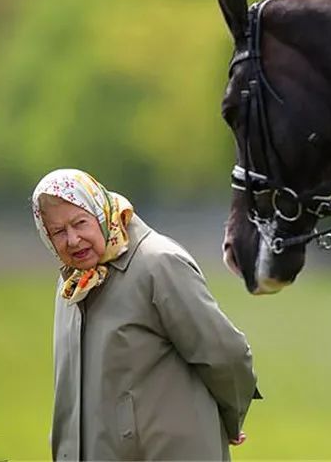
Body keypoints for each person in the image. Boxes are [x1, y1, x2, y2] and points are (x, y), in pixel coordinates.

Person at [32, 168, 260, 459]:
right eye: (58, 232)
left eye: (80, 223)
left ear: (101, 214)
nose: (73, 240)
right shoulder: (71, 284)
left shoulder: (158, 264)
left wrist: (230, 418)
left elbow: (226, 354)